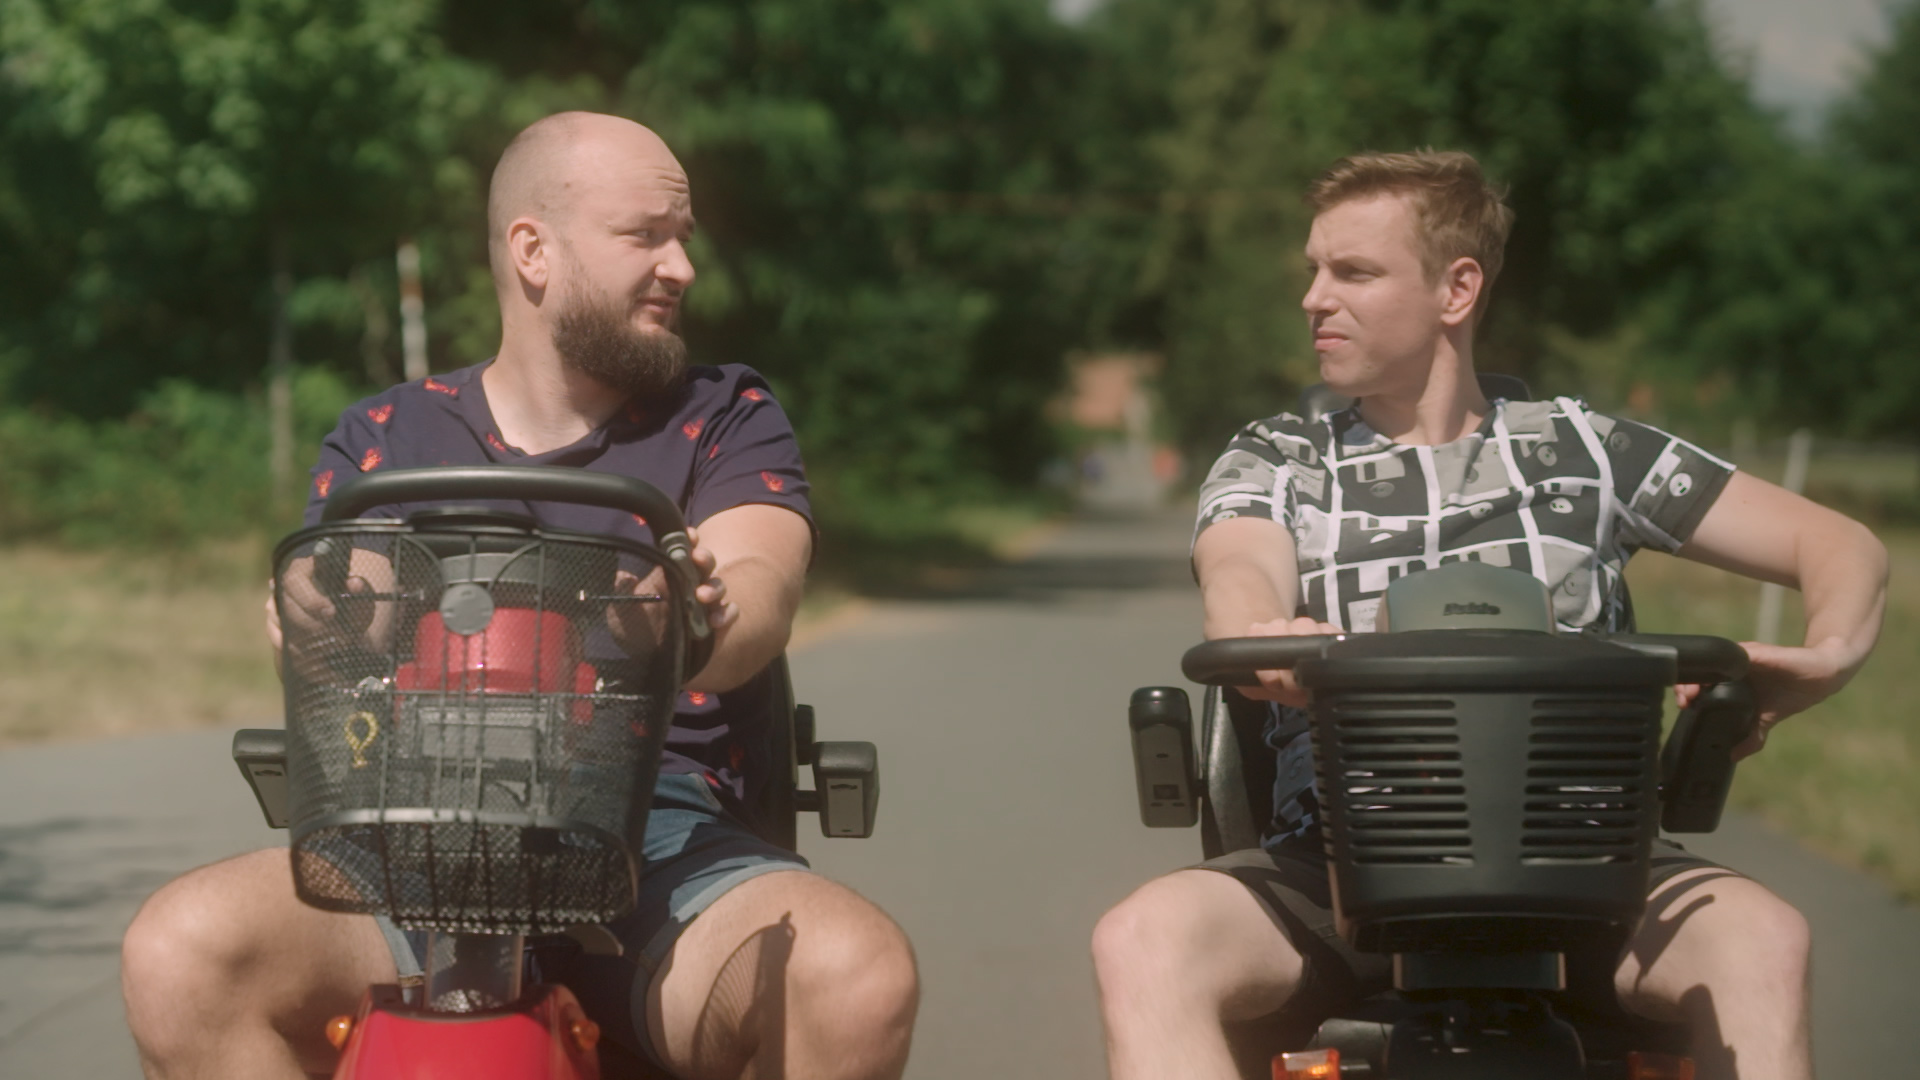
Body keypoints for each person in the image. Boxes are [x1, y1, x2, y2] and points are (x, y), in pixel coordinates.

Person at [121, 112, 919, 1080]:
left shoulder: (726, 415)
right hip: (414, 831)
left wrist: (689, 609)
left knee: (854, 977)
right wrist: (327, 605)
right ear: (533, 251)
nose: (681, 268)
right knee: (178, 954)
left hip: (656, 837)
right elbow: (357, 581)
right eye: (646, 236)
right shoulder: (386, 437)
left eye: (683, 239)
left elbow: (759, 583)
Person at [1091, 150, 1887, 1080]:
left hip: (1589, 858)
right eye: (1313, 270)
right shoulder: (1280, 457)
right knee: (1142, 941)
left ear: (1457, 289)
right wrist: (1262, 631)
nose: (1314, 297)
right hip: (1340, 859)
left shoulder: (1588, 450)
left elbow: (1840, 546)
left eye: (1353, 272)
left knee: (1767, 942)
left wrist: (1830, 656)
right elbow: (1238, 565)